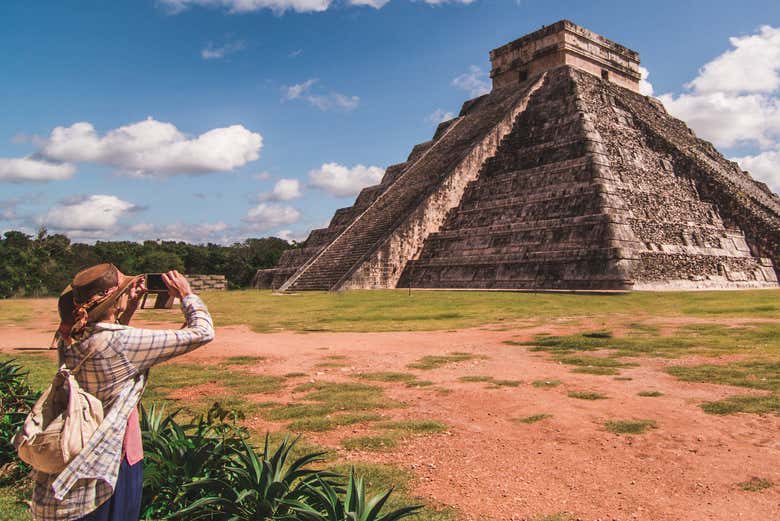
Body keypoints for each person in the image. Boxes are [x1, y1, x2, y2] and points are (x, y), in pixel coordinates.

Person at [31, 263, 215, 521]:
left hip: (75, 450)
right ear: (114, 301)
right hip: (110, 459)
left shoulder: (71, 337)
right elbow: (203, 332)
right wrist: (187, 295)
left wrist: (126, 306)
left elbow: (110, 339)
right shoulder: (121, 343)